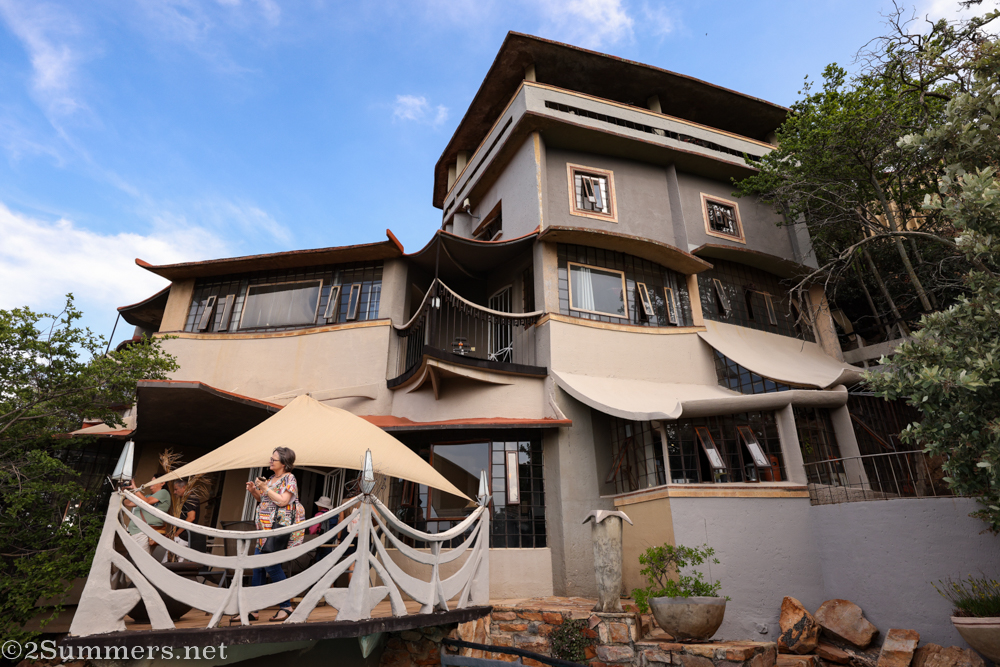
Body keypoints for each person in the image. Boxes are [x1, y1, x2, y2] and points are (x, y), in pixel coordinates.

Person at [243, 447, 304, 622]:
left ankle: (286, 606)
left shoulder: (289, 478)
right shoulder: (271, 479)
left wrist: (265, 488)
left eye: (273, 459)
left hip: (276, 529)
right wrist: (255, 490)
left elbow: (284, 501)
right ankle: (254, 609)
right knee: (258, 567)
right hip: (264, 529)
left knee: (271, 566)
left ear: (284, 463)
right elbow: (264, 500)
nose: (270, 461)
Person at [123, 478, 171, 553]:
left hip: (145, 531)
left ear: (162, 483)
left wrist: (135, 488)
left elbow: (147, 501)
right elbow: (129, 503)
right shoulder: (148, 495)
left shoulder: (164, 492)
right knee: (137, 559)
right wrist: (124, 493)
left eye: (154, 481)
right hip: (135, 531)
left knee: (142, 559)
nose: (151, 482)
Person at [171, 479, 201, 559]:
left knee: (174, 562)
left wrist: (177, 533)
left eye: (176, 489)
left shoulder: (190, 499)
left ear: (184, 487)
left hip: (182, 537)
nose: (174, 492)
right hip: (183, 536)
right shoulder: (189, 498)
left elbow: (191, 517)